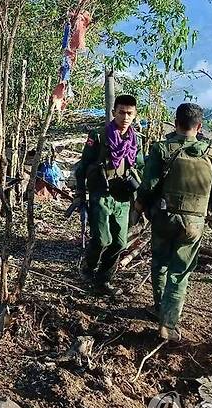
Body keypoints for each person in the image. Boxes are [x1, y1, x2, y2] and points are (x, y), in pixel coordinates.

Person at [135, 103, 212, 341]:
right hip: (193, 223)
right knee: (180, 272)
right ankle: (168, 323)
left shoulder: (161, 149)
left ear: (175, 123)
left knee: (160, 264)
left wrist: (140, 206)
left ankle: (159, 308)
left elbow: (149, 185)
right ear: (199, 127)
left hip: (164, 218)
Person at [74, 95, 142, 295]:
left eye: (130, 113)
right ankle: (88, 266)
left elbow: (141, 165)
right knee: (102, 240)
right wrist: (80, 193)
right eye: (121, 112)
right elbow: (83, 167)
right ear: (114, 113)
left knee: (120, 243)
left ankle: (103, 279)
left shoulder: (134, 139)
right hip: (101, 195)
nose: (125, 117)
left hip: (122, 197)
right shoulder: (99, 135)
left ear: (135, 114)